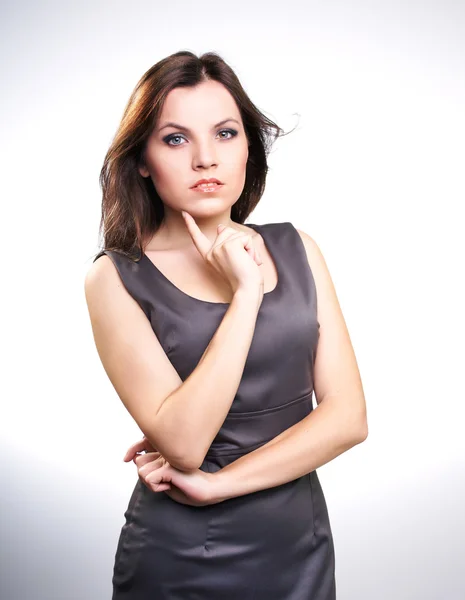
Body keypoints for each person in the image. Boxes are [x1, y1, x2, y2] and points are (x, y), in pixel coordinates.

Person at [85, 50, 368, 600]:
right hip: (181, 557)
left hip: (298, 547)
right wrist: (244, 296)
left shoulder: (298, 249)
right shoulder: (115, 278)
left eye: (225, 133)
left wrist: (220, 486)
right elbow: (186, 446)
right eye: (175, 138)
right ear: (142, 158)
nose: (205, 159)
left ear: (247, 148)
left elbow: (349, 418)